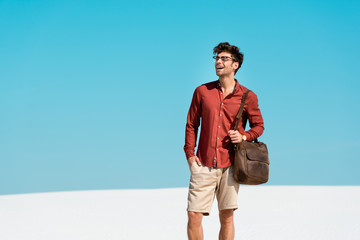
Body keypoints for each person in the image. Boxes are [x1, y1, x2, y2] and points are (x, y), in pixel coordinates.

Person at [184, 42, 265, 240]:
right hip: (203, 163)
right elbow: (191, 124)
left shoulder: (248, 96)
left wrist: (244, 136)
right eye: (217, 58)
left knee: (227, 216)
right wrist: (190, 155)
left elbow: (259, 126)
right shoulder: (202, 91)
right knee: (194, 215)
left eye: (224, 58)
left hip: (231, 164)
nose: (218, 62)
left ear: (235, 65)